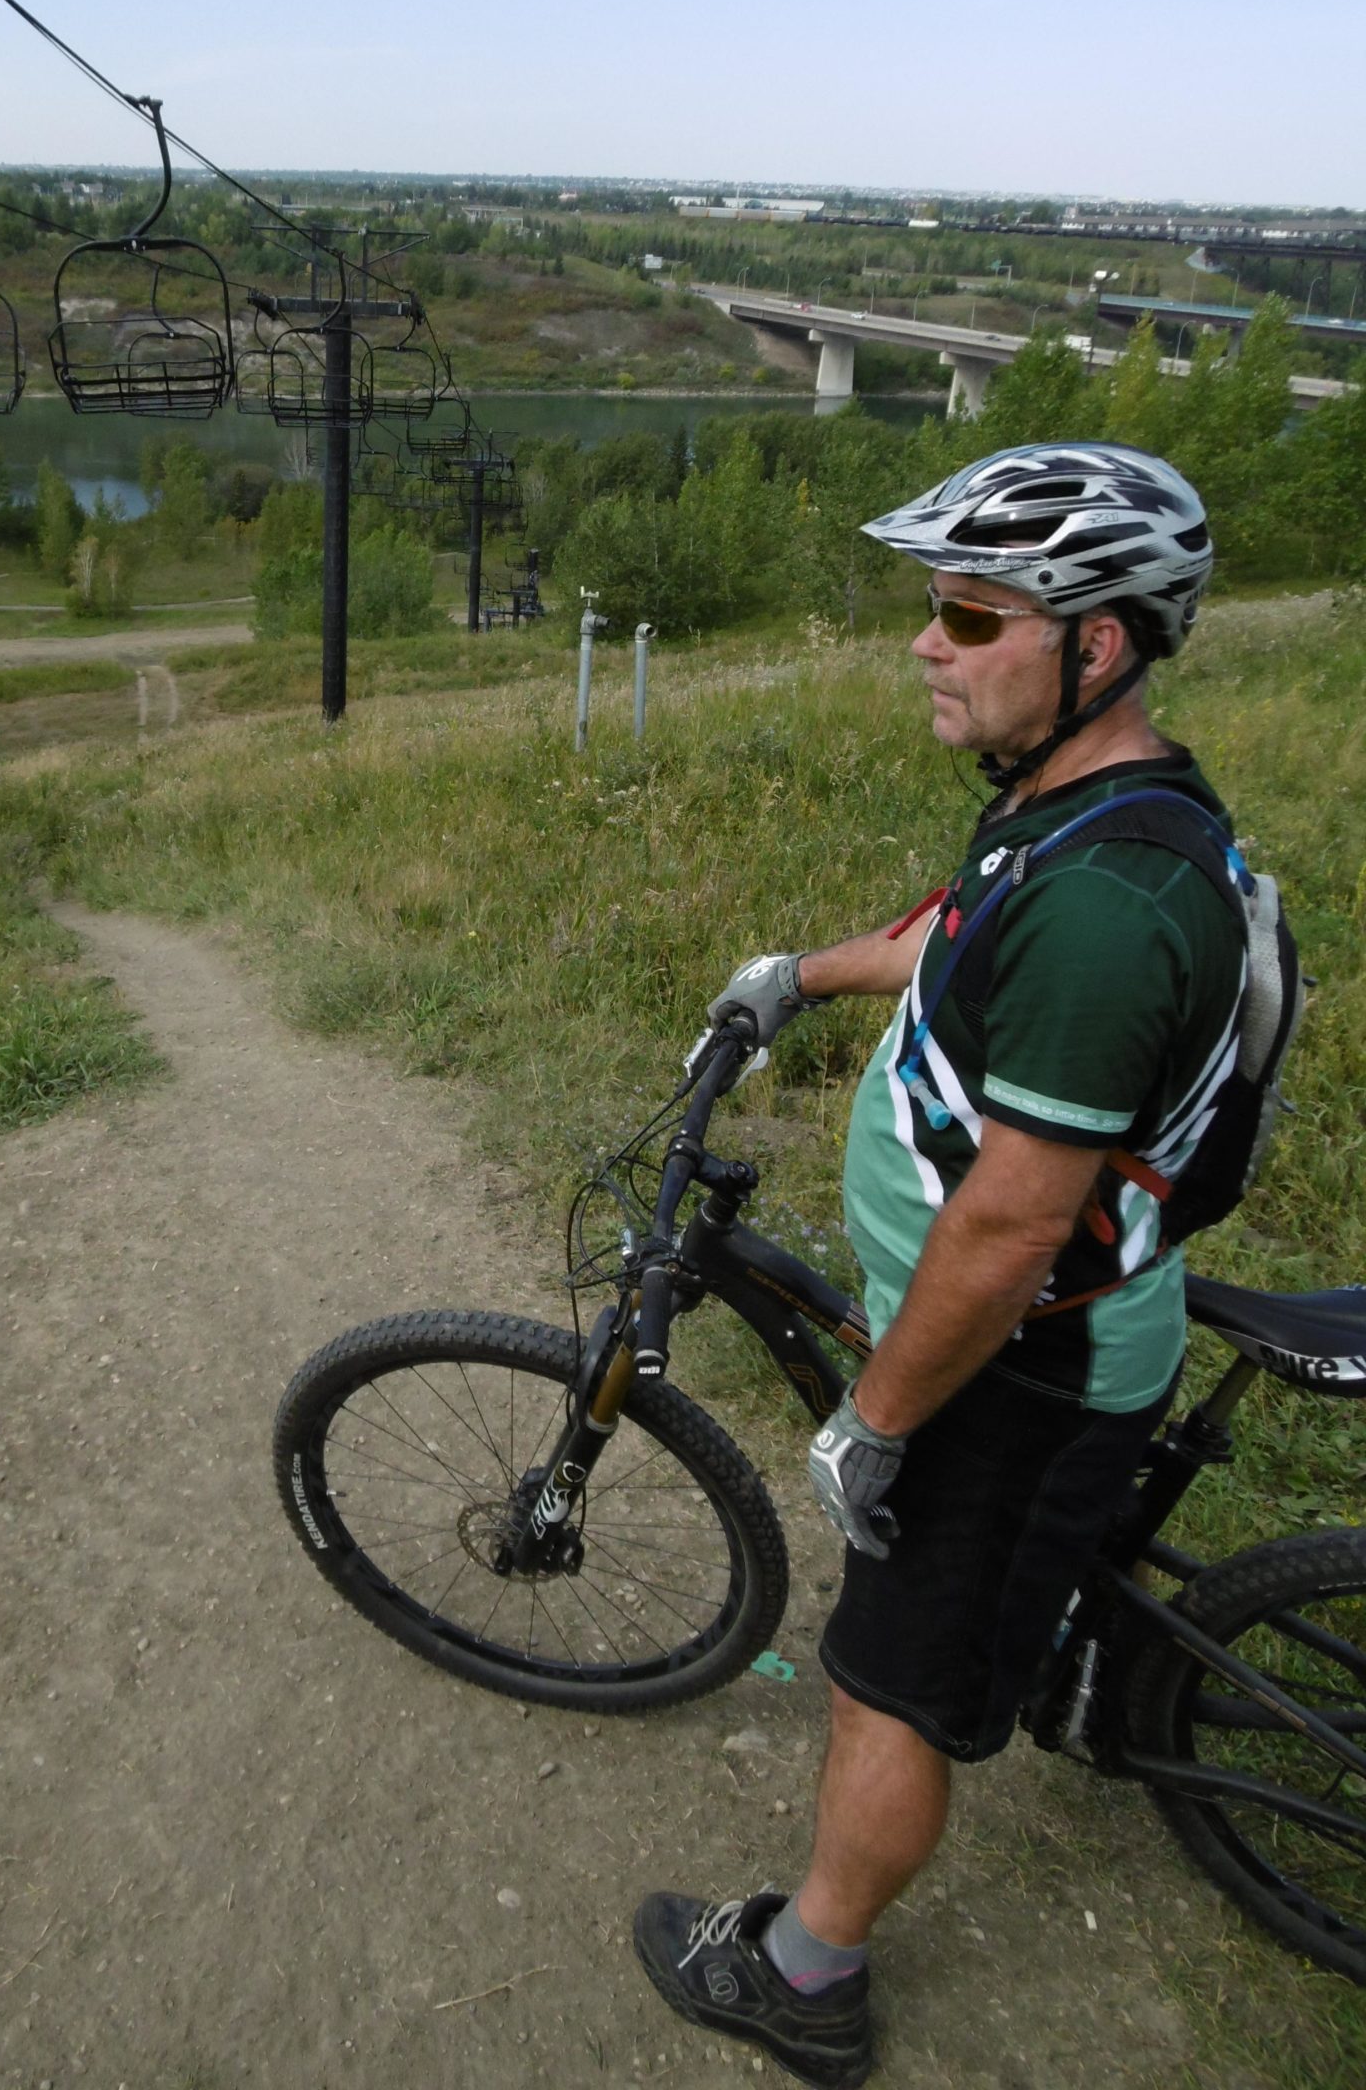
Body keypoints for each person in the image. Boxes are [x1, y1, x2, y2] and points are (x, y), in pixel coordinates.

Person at [633, 443, 1236, 2090]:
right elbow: (950, 939)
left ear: (1095, 646)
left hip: (1015, 1366)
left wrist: (878, 1420)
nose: (928, 644)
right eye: (935, 609)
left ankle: (807, 1975)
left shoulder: (1116, 904)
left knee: (881, 1680)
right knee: (953, 1620)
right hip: (1005, 1336)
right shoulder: (1070, 809)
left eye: (974, 616)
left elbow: (1011, 1230)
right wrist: (801, 975)